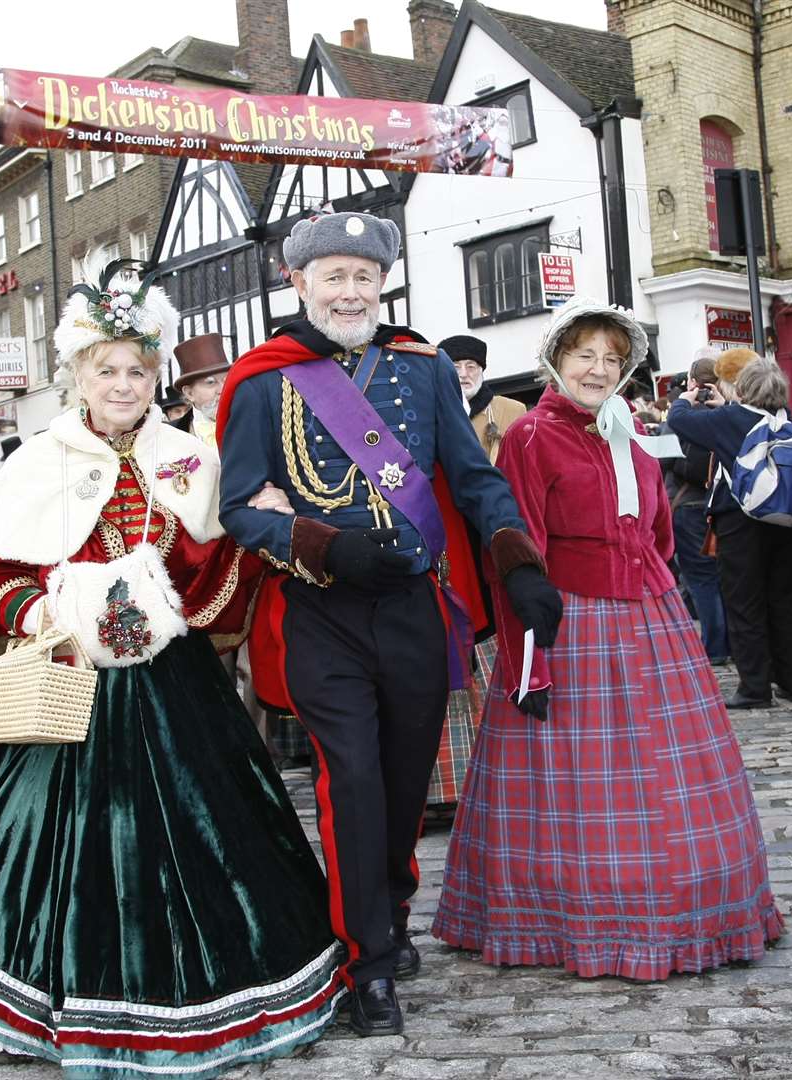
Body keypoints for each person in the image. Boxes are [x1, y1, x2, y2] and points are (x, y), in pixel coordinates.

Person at [0, 251, 343, 1076]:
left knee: (214, 829)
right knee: (44, 835)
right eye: (109, 371)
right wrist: (52, 612)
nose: (125, 385)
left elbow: (215, 564)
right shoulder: (41, 459)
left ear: (156, 374)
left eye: (139, 370)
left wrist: (254, 540)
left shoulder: (190, 458)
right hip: (67, 679)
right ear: (80, 375)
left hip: (172, 684)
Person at [217, 211, 560, 1037]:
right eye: (332, 276)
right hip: (320, 612)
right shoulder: (264, 382)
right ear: (298, 284)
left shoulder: (423, 367)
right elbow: (238, 509)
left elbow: (475, 481)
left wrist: (518, 564)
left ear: (382, 284)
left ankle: (391, 908)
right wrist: (324, 545)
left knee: (406, 785)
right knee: (354, 782)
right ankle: (364, 957)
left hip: (412, 605)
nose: (350, 291)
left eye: (363, 276)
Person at [434, 298, 783, 980]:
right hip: (573, 620)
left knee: (671, 773)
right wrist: (526, 656)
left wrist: (659, 595)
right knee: (582, 781)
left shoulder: (624, 431)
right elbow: (519, 543)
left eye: (611, 360)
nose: (598, 370)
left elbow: (655, 533)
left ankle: (689, 906)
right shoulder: (534, 436)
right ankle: (577, 916)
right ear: (556, 361)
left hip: (650, 615)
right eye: (585, 356)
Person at [669, 358, 792, 709]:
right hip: (786, 521)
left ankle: (754, 687)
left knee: (744, 603)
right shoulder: (784, 419)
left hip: (740, 522)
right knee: (784, 601)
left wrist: (686, 397)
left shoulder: (731, 420)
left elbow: (678, 420)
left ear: (742, 388)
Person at [426, 333, 526, 810]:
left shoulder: (509, 412)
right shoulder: (430, 409)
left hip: (495, 540)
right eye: (456, 364)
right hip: (447, 543)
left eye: (471, 364)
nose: (463, 372)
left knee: (488, 660)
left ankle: (501, 771)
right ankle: (448, 787)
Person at [669, 349, 730, 665]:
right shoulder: (727, 414)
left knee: (701, 580)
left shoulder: (687, 419)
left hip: (690, 505)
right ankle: (729, 643)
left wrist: (683, 401)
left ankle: (715, 647)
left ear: (692, 382)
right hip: (721, 506)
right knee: (722, 577)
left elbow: (667, 458)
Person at [440, 334, 525, 465]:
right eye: (455, 367)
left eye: (471, 367)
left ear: (481, 371)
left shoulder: (512, 411)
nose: (463, 374)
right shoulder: (435, 414)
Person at [170, 332, 232, 446]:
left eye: (226, 380)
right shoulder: (171, 435)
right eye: (210, 382)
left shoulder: (252, 422)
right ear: (189, 393)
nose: (222, 390)